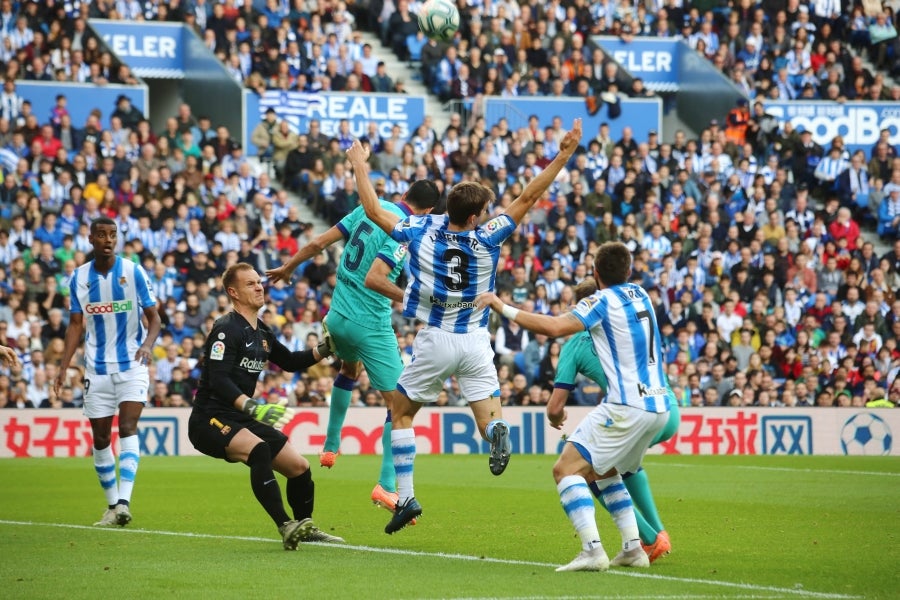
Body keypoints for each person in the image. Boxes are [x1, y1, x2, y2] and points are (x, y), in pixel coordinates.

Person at [348, 118, 584, 534]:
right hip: (476, 339)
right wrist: (563, 153)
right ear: (475, 216)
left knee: (401, 414)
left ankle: (405, 497)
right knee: (486, 421)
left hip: (436, 338)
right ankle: (497, 430)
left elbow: (371, 209)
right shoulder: (488, 236)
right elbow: (530, 195)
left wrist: (359, 165)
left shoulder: (421, 227)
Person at [477, 241, 669, 571]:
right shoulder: (641, 293)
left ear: (595, 273)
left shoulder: (601, 301)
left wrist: (500, 305)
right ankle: (634, 548)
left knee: (564, 469)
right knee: (604, 470)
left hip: (627, 405)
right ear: (629, 271)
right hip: (660, 406)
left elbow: (554, 327)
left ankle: (593, 550)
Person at [266, 177, 439, 518]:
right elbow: (375, 279)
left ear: (404, 194)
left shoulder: (368, 208)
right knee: (401, 406)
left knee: (349, 368)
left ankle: (330, 445)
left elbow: (318, 243)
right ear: (428, 211)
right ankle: (387, 485)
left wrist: (289, 267)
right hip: (369, 325)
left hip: (337, 316)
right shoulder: (402, 230)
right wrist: (413, 299)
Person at [189, 262, 345, 550]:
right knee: (259, 449)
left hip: (240, 417)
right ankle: (285, 525)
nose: (260, 286)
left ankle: (304, 525)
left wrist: (326, 348)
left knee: (299, 467)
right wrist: (253, 407)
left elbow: (290, 361)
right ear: (233, 293)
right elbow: (220, 381)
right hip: (209, 419)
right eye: (251, 284)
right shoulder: (225, 329)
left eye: (259, 282)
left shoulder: (261, 332)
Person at [552, 278, 680, 563]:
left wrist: (556, 416)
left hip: (632, 410)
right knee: (621, 465)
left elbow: (555, 405)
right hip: (667, 405)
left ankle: (647, 539)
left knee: (589, 473)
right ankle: (657, 532)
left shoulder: (575, 344)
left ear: (581, 306)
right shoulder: (629, 319)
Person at [54, 217, 163, 527]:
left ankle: (125, 502)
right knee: (101, 439)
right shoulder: (79, 278)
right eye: (101, 234)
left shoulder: (133, 272)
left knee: (128, 425)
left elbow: (155, 319)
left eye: (112, 235)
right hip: (97, 370)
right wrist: (63, 368)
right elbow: (76, 324)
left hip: (132, 365)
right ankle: (112, 505)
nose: (107, 239)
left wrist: (147, 345)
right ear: (90, 239)